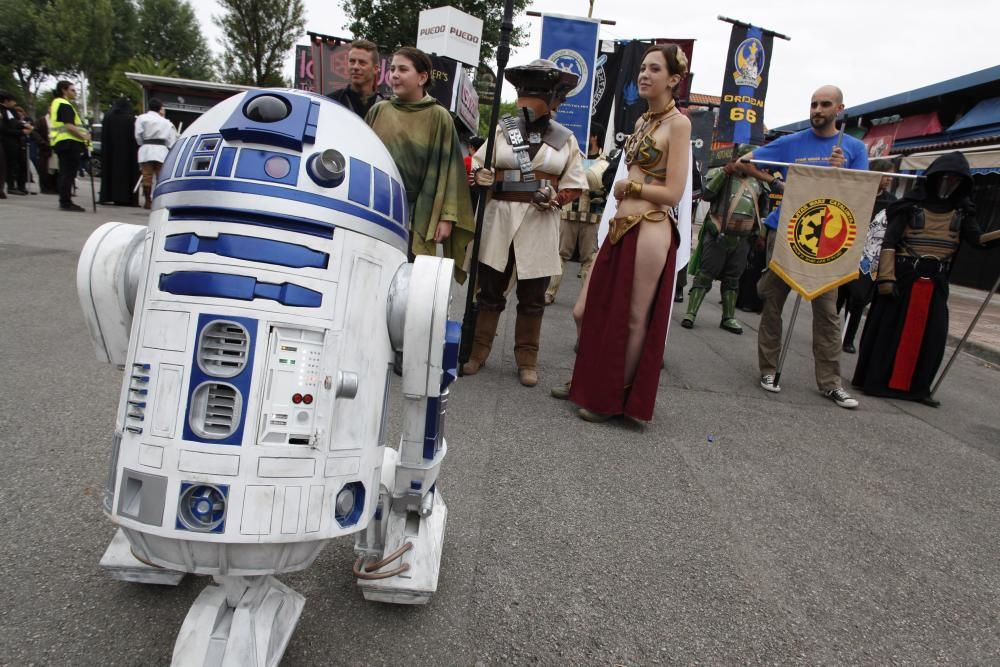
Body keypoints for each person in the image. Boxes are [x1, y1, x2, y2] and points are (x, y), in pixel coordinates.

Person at [554, 44, 691, 421]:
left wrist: (632, 188)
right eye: (642, 68)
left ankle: (612, 400)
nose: (644, 75)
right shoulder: (644, 120)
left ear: (674, 79)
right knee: (587, 309)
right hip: (619, 226)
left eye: (654, 69)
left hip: (650, 227)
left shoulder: (679, 125)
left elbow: (674, 193)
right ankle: (587, 381)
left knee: (632, 318)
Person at [734, 85, 868, 409]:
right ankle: (768, 370)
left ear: (840, 109)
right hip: (786, 231)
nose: (817, 110)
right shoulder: (791, 143)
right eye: (813, 104)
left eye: (825, 104)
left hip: (827, 242)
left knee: (827, 313)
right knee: (773, 304)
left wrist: (843, 171)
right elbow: (744, 161)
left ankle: (831, 383)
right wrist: (777, 183)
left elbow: (863, 193)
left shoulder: (853, 148)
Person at [461, 59, 586, 387]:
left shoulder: (566, 139)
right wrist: (481, 174)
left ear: (554, 98)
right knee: (488, 291)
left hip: (539, 222)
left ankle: (527, 359)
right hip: (499, 218)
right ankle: (477, 352)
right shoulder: (502, 130)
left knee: (533, 297)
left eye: (538, 91)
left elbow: (574, 182)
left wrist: (556, 199)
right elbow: (476, 165)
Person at [852, 152, 999, 406]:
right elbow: (890, 242)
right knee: (888, 329)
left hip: (937, 279)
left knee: (932, 334)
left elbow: (977, 241)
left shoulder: (963, 210)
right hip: (903, 274)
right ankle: (875, 381)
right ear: (933, 177)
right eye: (944, 177)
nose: (948, 184)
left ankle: (917, 388)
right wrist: (887, 279)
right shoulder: (909, 205)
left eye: (955, 179)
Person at [366, 47, 474, 272]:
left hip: (419, 215)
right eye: (393, 69)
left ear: (422, 77)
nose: (394, 74)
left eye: (403, 69)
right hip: (377, 207)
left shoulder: (439, 116)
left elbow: (451, 172)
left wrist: (446, 218)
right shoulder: (378, 110)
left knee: (408, 280)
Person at [682, 143, 768, 333]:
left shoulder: (759, 182)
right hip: (718, 233)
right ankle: (691, 313)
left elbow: (762, 212)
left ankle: (728, 317)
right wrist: (724, 173)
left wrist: (760, 235)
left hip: (743, 238)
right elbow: (707, 195)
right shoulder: (722, 174)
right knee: (705, 275)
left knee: (733, 280)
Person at [544, 122, 610, 305]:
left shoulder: (605, 164)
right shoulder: (573, 159)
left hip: (591, 217)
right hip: (568, 214)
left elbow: (609, 189)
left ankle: (587, 299)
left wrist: (600, 194)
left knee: (589, 259)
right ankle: (549, 292)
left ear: (594, 137)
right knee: (560, 254)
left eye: (589, 135)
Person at [837, 159, 897, 353]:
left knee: (859, 299)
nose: (888, 179)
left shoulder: (892, 202)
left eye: (891, 175)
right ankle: (826, 332)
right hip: (847, 251)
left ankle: (848, 338)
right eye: (885, 174)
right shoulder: (858, 195)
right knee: (838, 296)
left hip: (870, 257)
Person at [49, 80, 90, 212]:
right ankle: (66, 202)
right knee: (68, 173)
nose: (75, 92)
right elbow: (69, 125)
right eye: (72, 90)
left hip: (62, 142)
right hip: (69, 143)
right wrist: (83, 136)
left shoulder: (56, 103)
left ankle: (64, 200)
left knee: (64, 173)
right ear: (64, 90)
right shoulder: (64, 104)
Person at [134, 98, 178, 209]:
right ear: (160, 108)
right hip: (161, 152)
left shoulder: (142, 118)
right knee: (160, 177)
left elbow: (138, 135)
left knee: (146, 176)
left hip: (146, 150)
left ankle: (147, 201)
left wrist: (142, 143)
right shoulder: (166, 122)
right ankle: (158, 201)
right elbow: (171, 140)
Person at [330, 39, 387, 118]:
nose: (355, 67)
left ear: (375, 69)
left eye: (362, 62)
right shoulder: (332, 102)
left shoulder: (385, 108)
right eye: (352, 61)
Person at [99, 97, 139, 206]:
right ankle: (126, 198)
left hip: (110, 153)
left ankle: (108, 195)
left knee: (110, 172)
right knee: (126, 175)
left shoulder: (108, 117)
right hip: (127, 155)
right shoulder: (131, 119)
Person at [1, 91, 31, 196]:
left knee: (20, 164)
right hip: (7, 141)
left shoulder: (12, 111)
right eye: (13, 101)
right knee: (10, 164)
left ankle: (20, 186)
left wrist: (24, 126)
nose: (14, 103)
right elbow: (4, 129)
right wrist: (21, 131)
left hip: (17, 140)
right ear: (6, 101)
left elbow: (16, 122)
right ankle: (11, 186)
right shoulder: (2, 112)